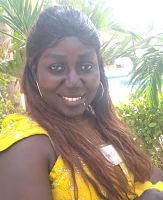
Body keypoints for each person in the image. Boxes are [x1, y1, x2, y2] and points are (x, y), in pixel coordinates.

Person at [0, 6, 163, 200]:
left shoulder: (101, 123)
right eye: (57, 68)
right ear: (35, 71)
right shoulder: (27, 146)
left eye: (86, 66)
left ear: (99, 69)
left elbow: (147, 175)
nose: (73, 81)